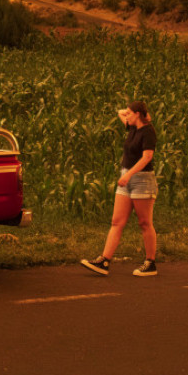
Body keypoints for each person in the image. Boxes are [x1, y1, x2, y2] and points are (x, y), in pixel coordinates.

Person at [81, 100, 159, 277]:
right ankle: (104, 261)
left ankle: (150, 263)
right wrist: (136, 112)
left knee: (145, 223)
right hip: (127, 178)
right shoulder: (132, 127)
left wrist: (128, 175)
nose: (126, 115)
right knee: (117, 221)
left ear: (137, 115)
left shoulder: (148, 132)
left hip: (142, 180)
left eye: (131, 113)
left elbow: (147, 157)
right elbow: (119, 112)